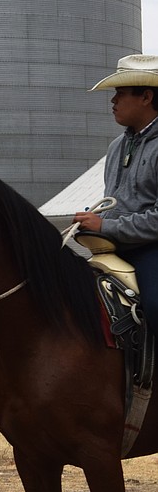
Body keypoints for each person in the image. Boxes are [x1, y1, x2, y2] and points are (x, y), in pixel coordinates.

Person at [77, 54, 158, 331]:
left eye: (120, 94)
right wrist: (93, 219)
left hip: (151, 250)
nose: (113, 102)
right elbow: (116, 201)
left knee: (157, 304)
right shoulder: (115, 147)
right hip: (115, 248)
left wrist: (107, 225)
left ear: (146, 97)